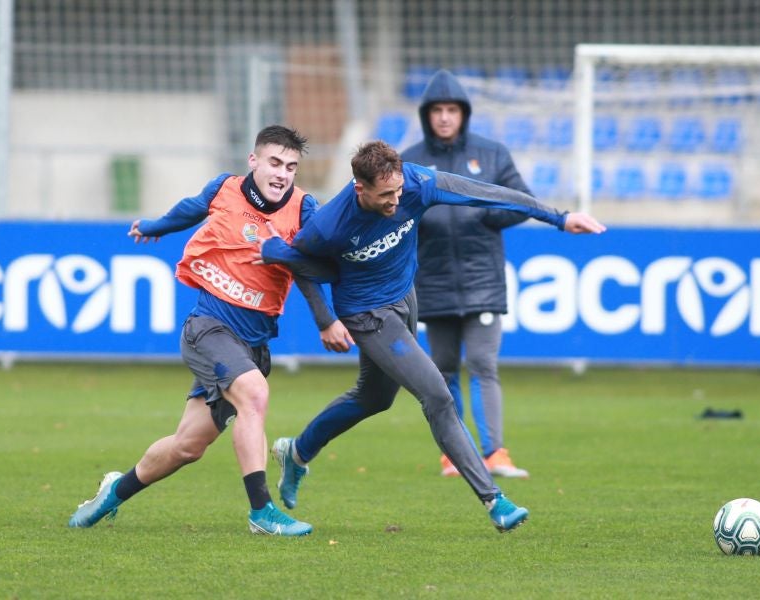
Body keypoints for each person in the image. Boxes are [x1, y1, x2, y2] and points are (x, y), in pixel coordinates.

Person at [259, 140, 605, 533]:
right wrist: (324, 318)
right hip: (366, 314)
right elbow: (301, 263)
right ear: (361, 189)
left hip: (405, 297)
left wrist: (558, 218)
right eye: (385, 195)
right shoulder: (329, 225)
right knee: (437, 394)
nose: (396, 200)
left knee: (374, 397)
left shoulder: (417, 183)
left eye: (398, 190)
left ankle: (297, 451)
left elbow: (487, 194)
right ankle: (495, 500)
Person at [67, 125, 353, 536]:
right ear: (254, 161)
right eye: (274, 162)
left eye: (291, 166)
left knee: (188, 446)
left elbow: (305, 268)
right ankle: (262, 512)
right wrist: (155, 225)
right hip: (208, 330)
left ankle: (114, 490)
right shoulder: (225, 187)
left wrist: (325, 318)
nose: (282, 173)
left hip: (251, 343)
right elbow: (192, 207)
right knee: (254, 395)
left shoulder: (304, 209)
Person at [401, 69, 531, 479]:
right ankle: (456, 456)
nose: (444, 116)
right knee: (442, 370)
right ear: (427, 115)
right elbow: (394, 213)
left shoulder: (492, 154)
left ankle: (496, 454)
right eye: (437, 110)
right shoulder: (410, 160)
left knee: (481, 362)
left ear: (463, 113)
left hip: (482, 279)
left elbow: (522, 201)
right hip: (433, 280)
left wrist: (483, 213)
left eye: (451, 109)